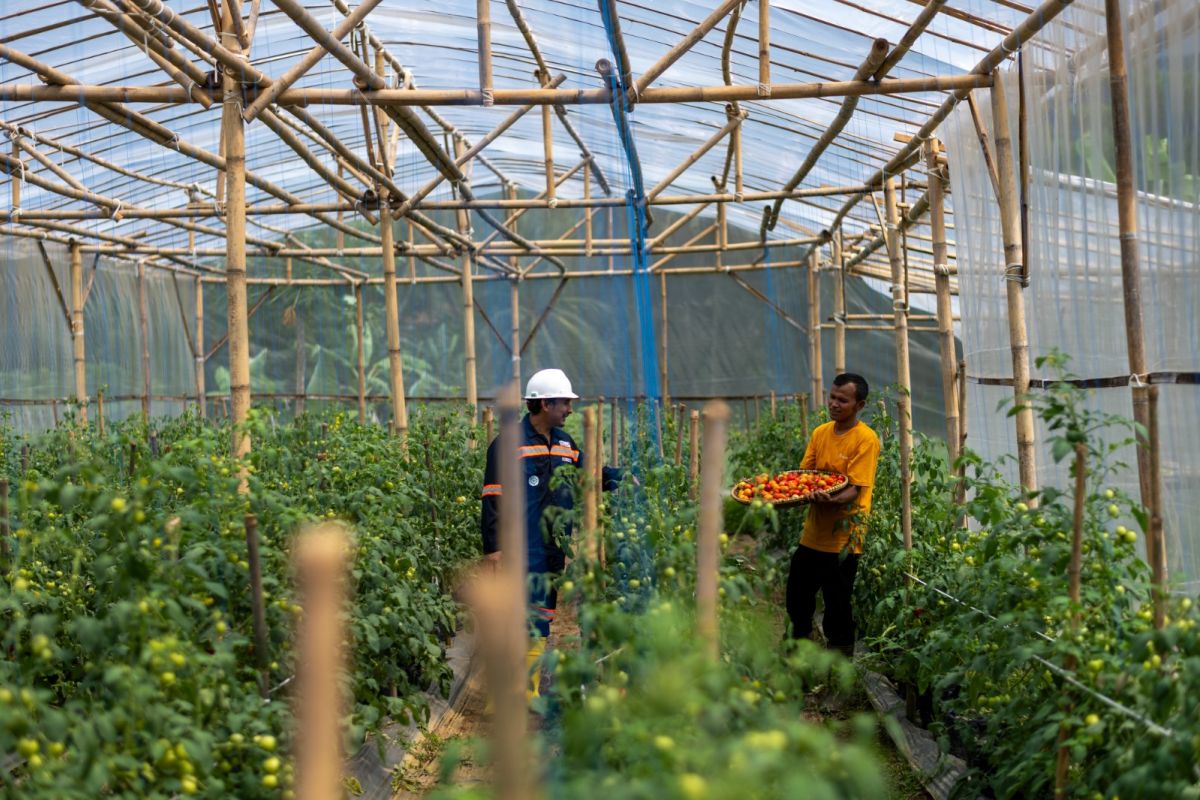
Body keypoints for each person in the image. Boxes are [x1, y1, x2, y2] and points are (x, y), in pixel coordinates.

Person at [480, 368, 622, 698]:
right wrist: (493, 548)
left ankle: (527, 691)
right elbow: (492, 496)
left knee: (541, 614)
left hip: (554, 546)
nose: (570, 409)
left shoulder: (565, 444)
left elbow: (591, 474)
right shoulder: (508, 443)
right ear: (545, 404)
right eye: (564, 403)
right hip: (517, 546)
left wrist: (624, 477)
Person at [786, 372, 881, 657]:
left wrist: (829, 499)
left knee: (837, 605)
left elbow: (854, 490)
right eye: (832, 397)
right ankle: (798, 657)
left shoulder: (865, 439)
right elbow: (805, 475)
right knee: (797, 598)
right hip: (813, 534)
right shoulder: (821, 433)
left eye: (843, 400)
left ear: (859, 405)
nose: (834, 404)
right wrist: (802, 491)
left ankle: (839, 668)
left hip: (844, 539)